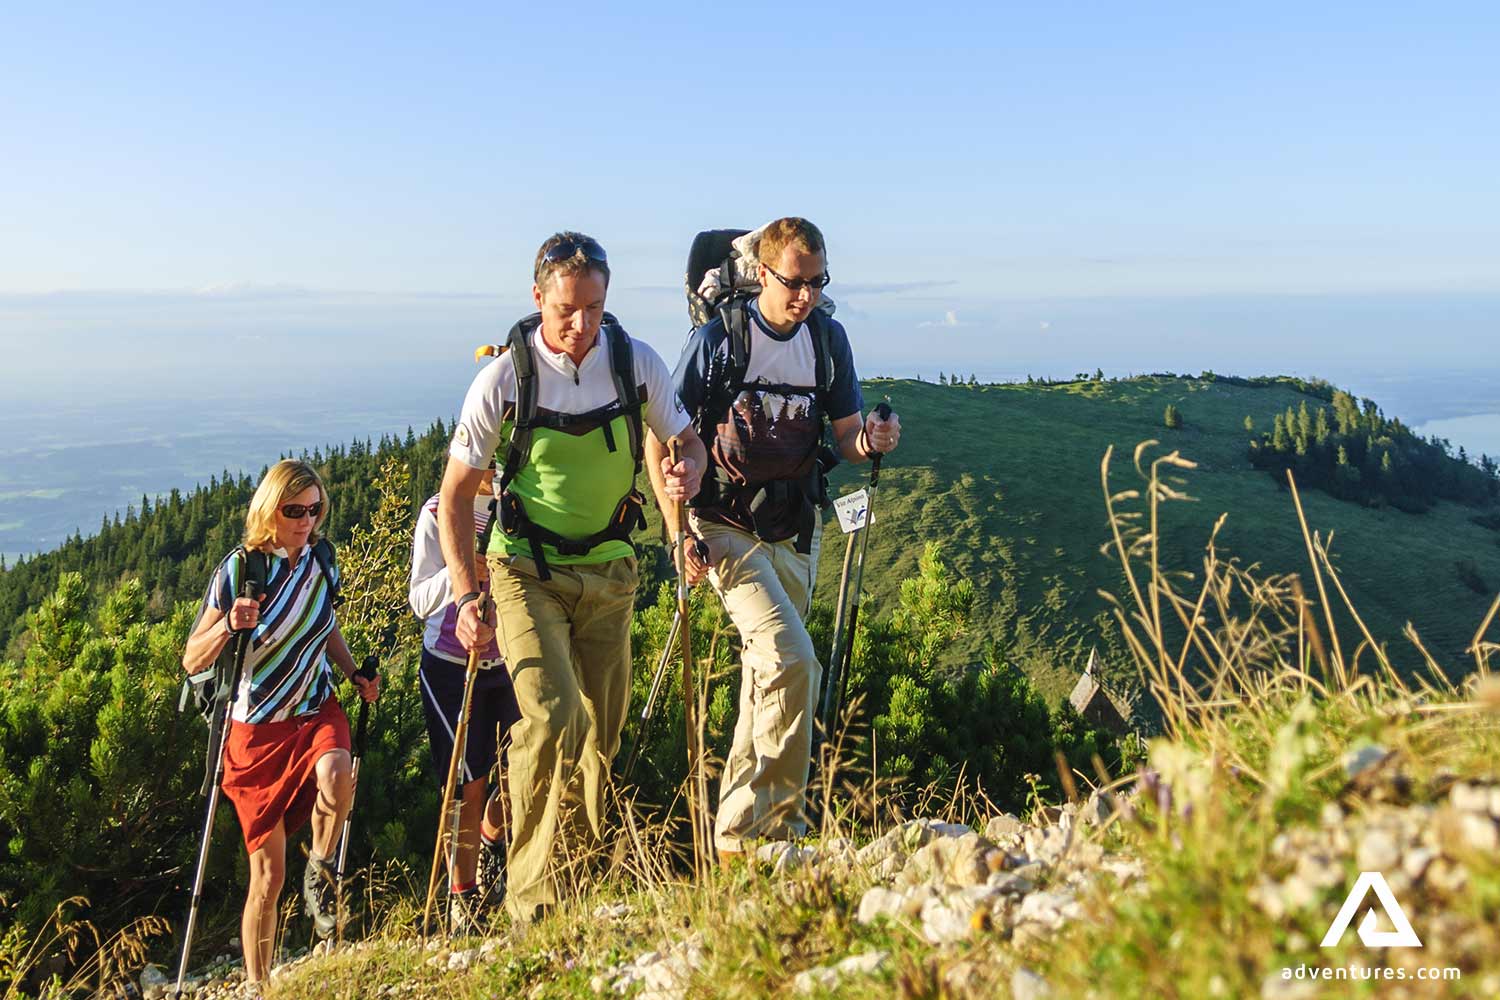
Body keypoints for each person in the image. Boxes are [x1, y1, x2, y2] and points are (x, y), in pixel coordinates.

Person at [438, 232, 706, 923]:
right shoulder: (505, 379)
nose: (581, 324)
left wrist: (688, 472)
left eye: (594, 307)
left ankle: (577, 885)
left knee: (600, 737)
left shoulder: (635, 364)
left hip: (611, 569)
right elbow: (456, 496)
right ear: (537, 298)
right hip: (524, 570)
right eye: (565, 309)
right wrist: (466, 597)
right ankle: (531, 900)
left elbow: (685, 442)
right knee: (553, 717)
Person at [659, 217, 901, 868]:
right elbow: (666, 434)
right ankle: (778, 830)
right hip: (723, 524)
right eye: (795, 283)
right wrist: (678, 531)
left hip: (795, 528)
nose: (807, 296)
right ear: (763, 273)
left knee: (767, 674)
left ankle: (738, 841)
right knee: (793, 659)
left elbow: (846, 437)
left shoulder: (827, 339)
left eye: (818, 282)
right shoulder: (720, 339)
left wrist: (871, 440)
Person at [181, 459, 379, 984]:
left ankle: (321, 868)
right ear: (270, 508)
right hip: (256, 732)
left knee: (338, 775)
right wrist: (228, 623)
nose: (306, 521)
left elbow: (325, 625)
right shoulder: (240, 569)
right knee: (267, 878)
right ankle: (258, 984)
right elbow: (192, 658)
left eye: (314, 510)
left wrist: (353, 672)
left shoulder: (321, 562)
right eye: (295, 510)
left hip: (314, 708)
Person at [408, 464, 519, 931]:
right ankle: (463, 899)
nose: (489, 465)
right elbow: (418, 599)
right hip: (450, 666)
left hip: (511, 658)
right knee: (465, 784)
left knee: (524, 768)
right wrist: (461, 575)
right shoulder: (438, 511)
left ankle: (492, 841)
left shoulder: (518, 499)